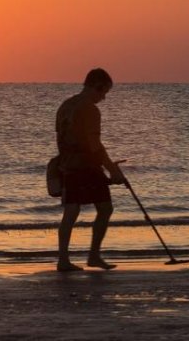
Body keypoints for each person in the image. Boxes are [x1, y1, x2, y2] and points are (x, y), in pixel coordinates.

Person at [55, 68, 125, 272]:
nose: (103, 98)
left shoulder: (66, 105)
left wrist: (64, 163)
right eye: (104, 93)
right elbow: (95, 144)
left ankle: (63, 260)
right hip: (87, 165)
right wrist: (112, 169)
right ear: (98, 86)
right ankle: (93, 256)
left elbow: (60, 138)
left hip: (68, 164)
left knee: (71, 212)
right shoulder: (90, 109)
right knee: (105, 208)